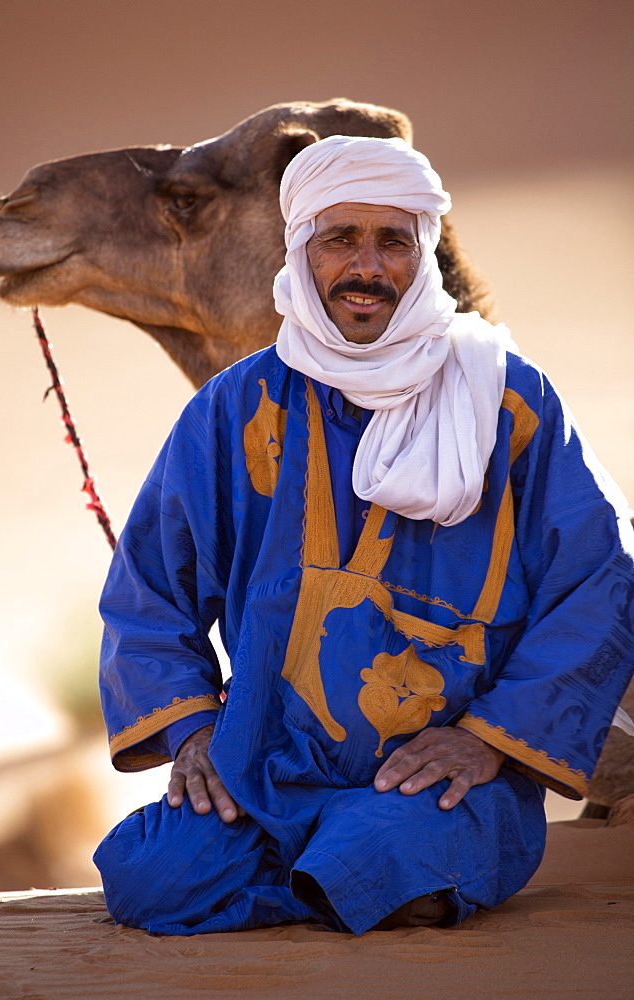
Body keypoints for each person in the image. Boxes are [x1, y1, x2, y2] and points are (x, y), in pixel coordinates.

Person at [93, 136, 634, 935]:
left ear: (424, 255)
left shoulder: (509, 402)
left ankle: (346, 877)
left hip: (442, 777)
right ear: (299, 250)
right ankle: (329, 883)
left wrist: (488, 742)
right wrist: (192, 731)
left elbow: (598, 580)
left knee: (385, 854)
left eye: (393, 241)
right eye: (340, 238)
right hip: (267, 760)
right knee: (149, 879)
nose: (367, 267)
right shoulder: (234, 409)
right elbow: (147, 590)